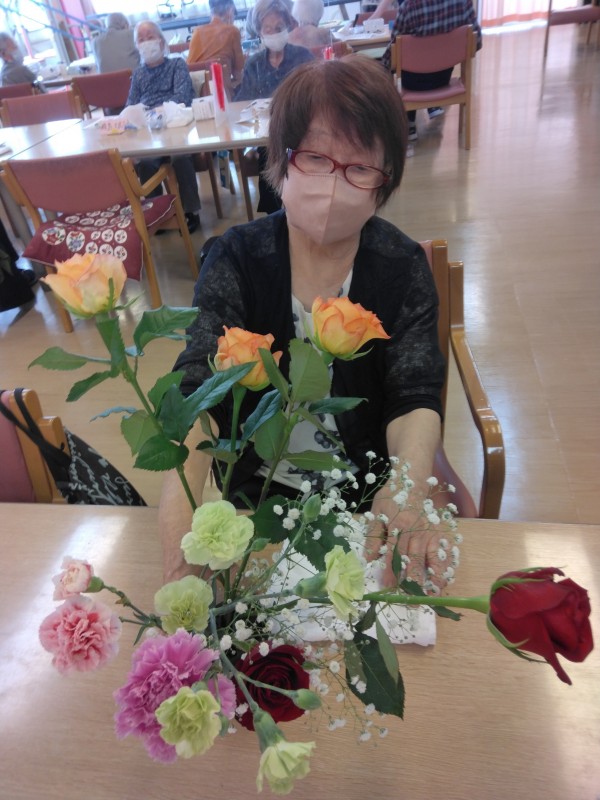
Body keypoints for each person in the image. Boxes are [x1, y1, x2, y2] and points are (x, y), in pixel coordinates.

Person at [160, 56, 450, 594]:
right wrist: (184, 511)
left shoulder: (401, 266)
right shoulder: (237, 258)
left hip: (365, 495)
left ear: (384, 180)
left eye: (360, 167)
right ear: (282, 160)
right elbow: (197, 389)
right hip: (252, 493)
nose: (333, 184)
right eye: (315, 157)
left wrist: (406, 485)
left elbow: (414, 395)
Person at [235, 0, 314, 213]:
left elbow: (316, 95)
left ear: (288, 25)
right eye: (267, 29)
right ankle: (276, 216)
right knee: (269, 151)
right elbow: (243, 102)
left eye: (278, 28)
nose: (273, 33)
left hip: (300, 128)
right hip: (265, 134)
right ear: (260, 32)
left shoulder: (303, 57)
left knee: (286, 149)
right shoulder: (254, 64)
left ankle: (299, 207)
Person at [127, 21, 201, 233]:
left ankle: (191, 211)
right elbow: (130, 105)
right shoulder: (138, 74)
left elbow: (182, 97)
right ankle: (156, 212)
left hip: (177, 127)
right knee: (145, 162)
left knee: (180, 157)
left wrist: (155, 111)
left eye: (150, 37)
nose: (146, 42)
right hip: (150, 132)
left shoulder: (176, 65)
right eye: (141, 39)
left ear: (161, 40)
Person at [382, 0, 482, 142]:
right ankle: (430, 109)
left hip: (412, 84)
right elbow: (476, 42)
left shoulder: (409, 6)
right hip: (443, 79)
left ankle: (409, 123)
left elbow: (394, 53)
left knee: (400, 64)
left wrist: (383, 66)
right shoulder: (463, 2)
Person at [187, 0, 245, 96]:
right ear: (230, 11)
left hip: (197, 95)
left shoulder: (197, 32)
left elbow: (189, 67)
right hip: (223, 94)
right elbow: (239, 73)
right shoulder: (232, 31)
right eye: (234, 13)